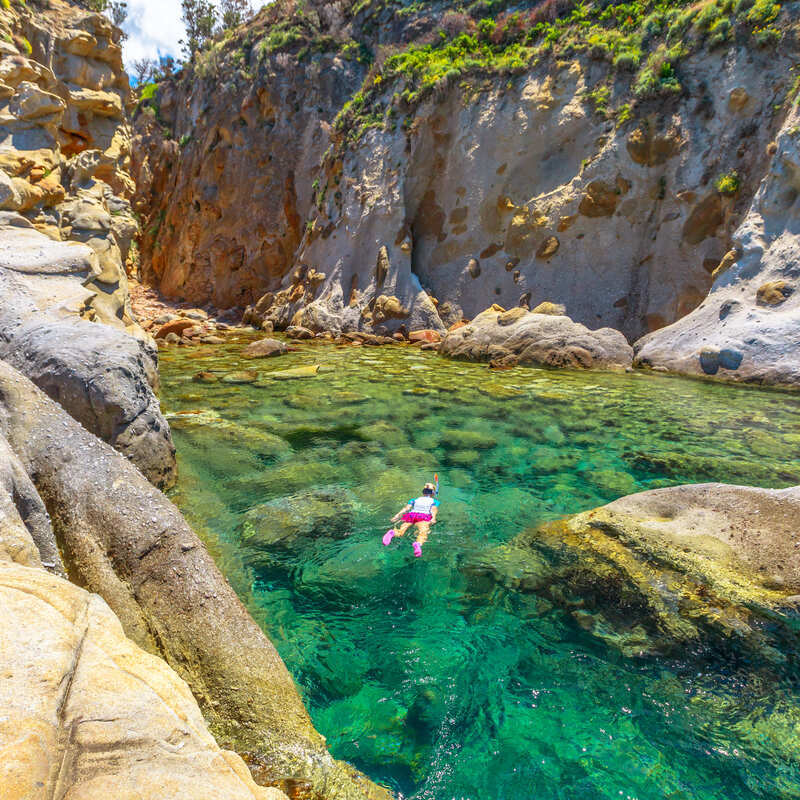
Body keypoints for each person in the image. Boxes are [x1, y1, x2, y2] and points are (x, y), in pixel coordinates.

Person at [383, 482, 439, 557]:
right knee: (423, 533)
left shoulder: (414, 500)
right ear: (433, 493)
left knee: (401, 532)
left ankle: (393, 532)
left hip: (411, 516)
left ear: (423, 492)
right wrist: (434, 518)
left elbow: (406, 508)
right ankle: (418, 544)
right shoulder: (434, 501)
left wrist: (396, 516)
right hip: (424, 517)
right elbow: (433, 509)